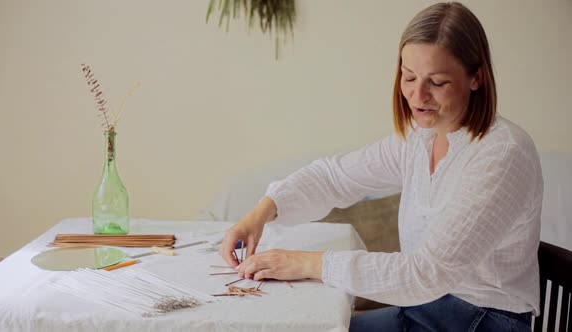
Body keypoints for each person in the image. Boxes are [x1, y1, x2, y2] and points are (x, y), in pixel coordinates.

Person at [219, 2, 542, 331]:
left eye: (438, 82)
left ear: (476, 77)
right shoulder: (421, 139)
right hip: (427, 306)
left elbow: (427, 273)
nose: (418, 96)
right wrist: (262, 212)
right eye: (409, 77)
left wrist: (304, 263)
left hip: (482, 318)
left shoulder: (503, 153)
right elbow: (335, 177)